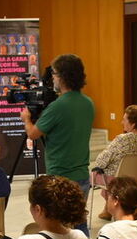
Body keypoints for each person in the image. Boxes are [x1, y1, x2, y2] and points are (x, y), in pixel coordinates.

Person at [20, 54, 94, 197]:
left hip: (61, 177)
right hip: (83, 174)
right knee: (78, 217)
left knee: (60, 218)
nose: (52, 77)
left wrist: (26, 119)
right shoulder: (88, 102)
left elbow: (33, 134)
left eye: (54, 73)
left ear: (62, 76)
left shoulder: (58, 106)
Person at [91, 105, 137, 202]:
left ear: (133, 124)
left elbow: (100, 162)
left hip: (119, 180)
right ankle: (109, 209)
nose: (121, 122)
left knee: (93, 174)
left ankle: (111, 207)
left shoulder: (122, 139)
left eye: (124, 120)